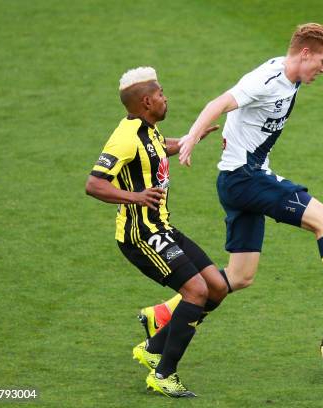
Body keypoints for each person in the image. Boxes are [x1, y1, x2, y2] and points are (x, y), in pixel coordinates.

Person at [139, 23, 323, 338]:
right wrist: (192, 137)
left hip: (234, 183)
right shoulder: (264, 80)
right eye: (321, 63)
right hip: (246, 177)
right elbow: (218, 104)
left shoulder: (295, 70)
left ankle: (163, 313)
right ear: (304, 54)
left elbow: (322, 61)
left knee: (239, 277)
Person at [85, 66, 226, 398]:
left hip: (162, 227)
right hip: (140, 235)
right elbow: (94, 184)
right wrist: (135, 196)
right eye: (161, 94)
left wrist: (193, 138)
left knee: (217, 287)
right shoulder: (125, 137)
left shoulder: (149, 131)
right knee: (195, 291)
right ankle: (164, 374)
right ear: (146, 101)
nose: (166, 98)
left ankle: (152, 348)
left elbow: (162, 148)